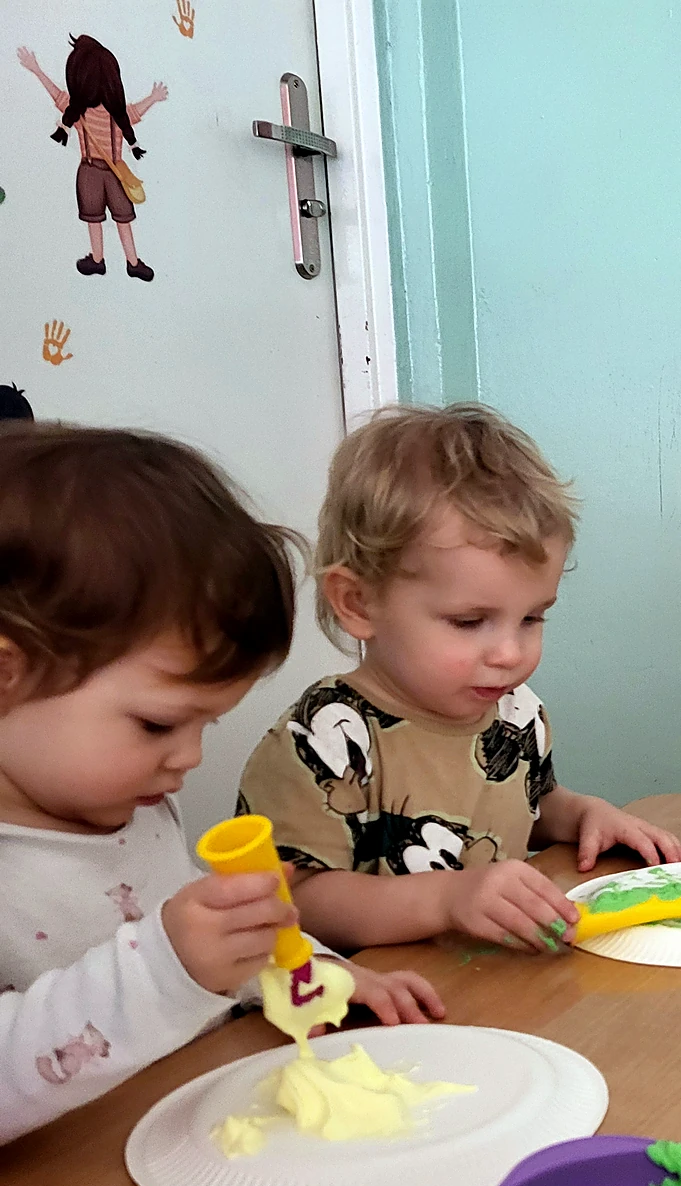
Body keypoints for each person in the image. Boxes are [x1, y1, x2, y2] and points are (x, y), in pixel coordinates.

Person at [0, 426, 441, 1144]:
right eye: (157, 724)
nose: (190, 758)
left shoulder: (132, 807)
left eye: (206, 723)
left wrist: (305, 972)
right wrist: (166, 969)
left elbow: (205, 944)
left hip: (195, 1130)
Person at [237, 404, 681, 953]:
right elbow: (294, 903)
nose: (510, 654)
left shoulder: (514, 714)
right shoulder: (325, 736)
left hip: (492, 984)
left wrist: (582, 814)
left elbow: (524, 805)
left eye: (532, 618)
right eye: (469, 622)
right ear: (358, 602)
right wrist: (445, 900)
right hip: (374, 999)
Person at [17, 37, 167, 281]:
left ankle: (105, 260)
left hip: (95, 170)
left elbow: (57, 96)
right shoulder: (114, 114)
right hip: (111, 170)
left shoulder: (80, 112)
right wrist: (153, 97)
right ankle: (128, 262)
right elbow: (135, 112)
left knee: (100, 218)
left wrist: (37, 69)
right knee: (111, 218)